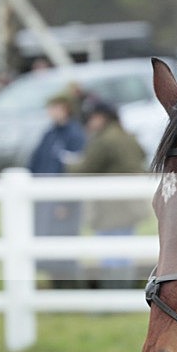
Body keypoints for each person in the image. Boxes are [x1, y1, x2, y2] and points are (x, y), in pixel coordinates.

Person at [67, 98, 147, 289]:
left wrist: (68, 164)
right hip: (131, 203)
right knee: (124, 251)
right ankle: (121, 292)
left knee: (110, 253)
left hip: (111, 206)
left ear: (102, 118)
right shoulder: (127, 135)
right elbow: (142, 156)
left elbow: (85, 168)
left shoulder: (104, 139)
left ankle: (113, 294)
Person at [28, 93, 87, 288]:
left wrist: (66, 202)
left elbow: (76, 171)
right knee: (46, 245)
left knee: (65, 245)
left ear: (65, 108)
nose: (51, 112)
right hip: (43, 200)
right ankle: (54, 287)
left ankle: (69, 289)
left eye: (55, 107)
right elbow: (35, 164)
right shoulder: (49, 134)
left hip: (63, 202)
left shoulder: (75, 135)